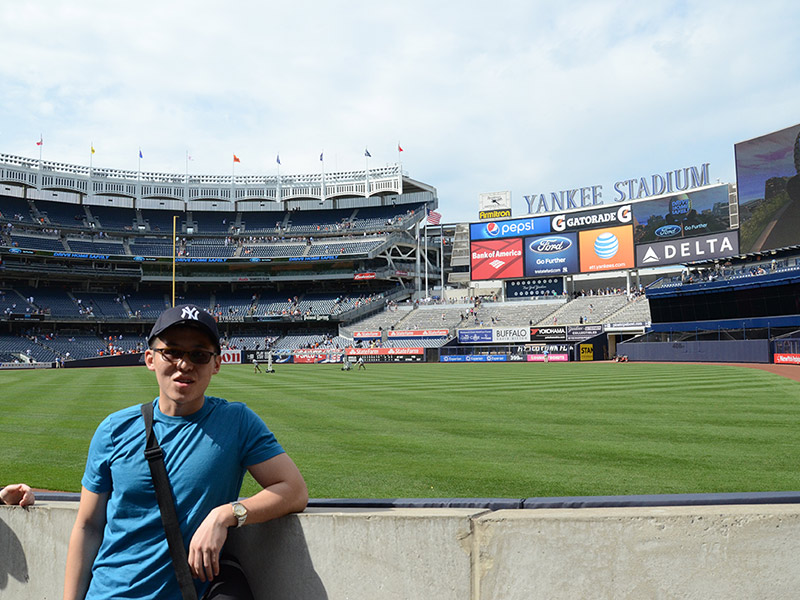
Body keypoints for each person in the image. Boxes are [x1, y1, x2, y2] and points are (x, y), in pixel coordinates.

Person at [64, 304, 308, 600]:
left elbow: (294, 490)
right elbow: (88, 526)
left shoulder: (237, 422)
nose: (184, 364)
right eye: (172, 351)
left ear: (216, 364)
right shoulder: (113, 429)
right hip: (110, 593)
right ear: (150, 359)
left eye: (199, 355)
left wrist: (226, 514)